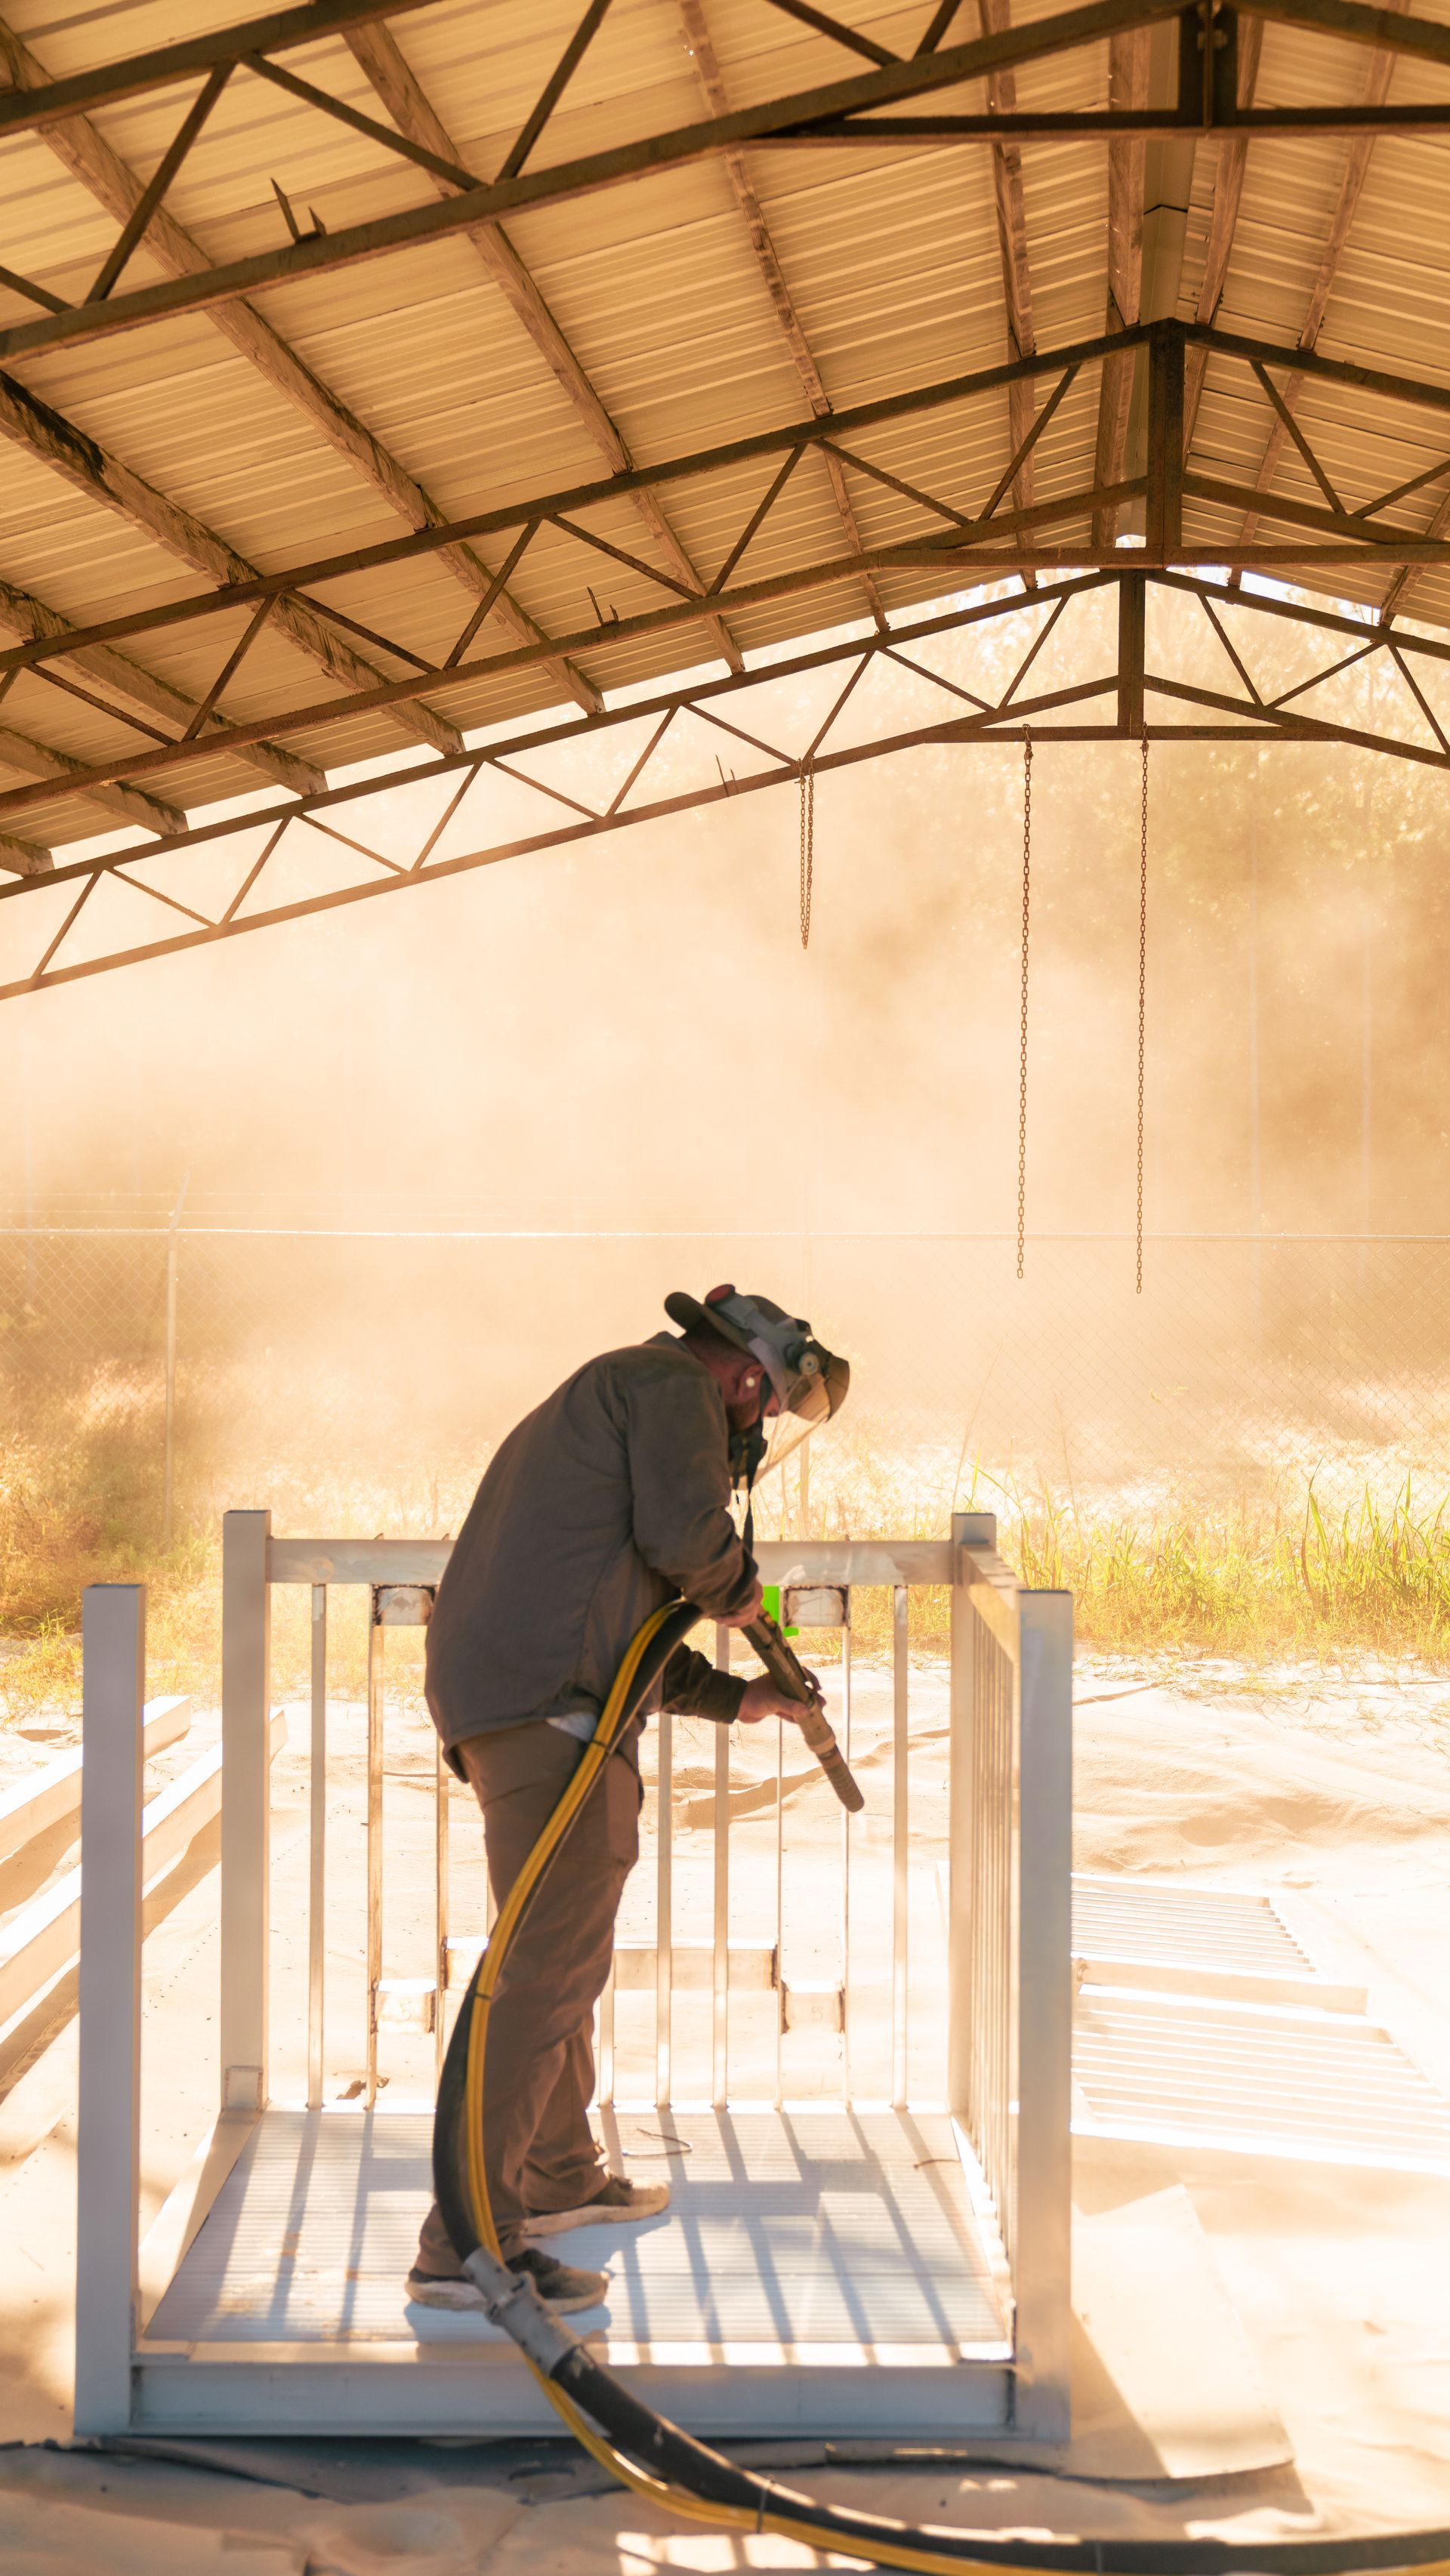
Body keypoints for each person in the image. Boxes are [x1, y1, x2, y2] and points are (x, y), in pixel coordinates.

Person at [406, 1286, 850, 2315]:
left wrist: (744, 1697)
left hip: (538, 1703)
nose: (759, 1427)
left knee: (556, 1952)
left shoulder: (624, 1398)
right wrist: (734, 1584)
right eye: (768, 1407)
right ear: (746, 1374)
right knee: (545, 1970)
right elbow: (688, 1544)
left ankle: (558, 2171)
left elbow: (635, 1631)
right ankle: (468, 2243)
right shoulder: (666, 1388)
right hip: (548, 1715)